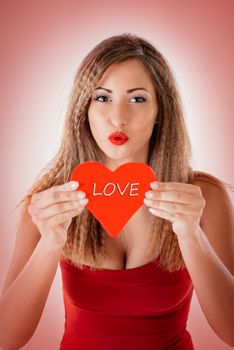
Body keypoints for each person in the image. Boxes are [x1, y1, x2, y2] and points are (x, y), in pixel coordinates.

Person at [0, 33, 233, 350]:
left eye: (137, 99)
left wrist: (191, 234)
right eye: (102, 97)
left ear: (160, 111)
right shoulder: (49, 200)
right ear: (84, 109)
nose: (118, 117)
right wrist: (50, 241)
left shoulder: (204, 197)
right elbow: (6, 337)